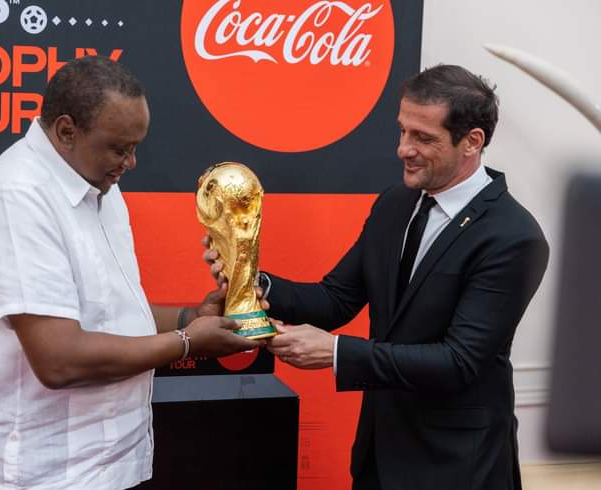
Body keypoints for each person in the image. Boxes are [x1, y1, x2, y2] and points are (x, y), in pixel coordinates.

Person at [205, 64, 549, 489]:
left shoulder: (513, 236)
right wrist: (252, 282)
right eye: (403, 131)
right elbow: (335, 299)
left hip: (457, 465)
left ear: (472, 142)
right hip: (377, 456)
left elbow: (458, 361)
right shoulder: (394, 204)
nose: (404, 149)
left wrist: (335, 353)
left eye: (423, 137)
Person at [0, 56, 258, 490]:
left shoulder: (98, 185)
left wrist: (191, 316)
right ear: (66, 131)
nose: (130, 163)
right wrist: (187, 342)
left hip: (111, 462)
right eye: (119, 148)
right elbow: (60, 360)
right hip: (40, 472)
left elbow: (110, 313)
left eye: (135, 147)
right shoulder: (16, 197)